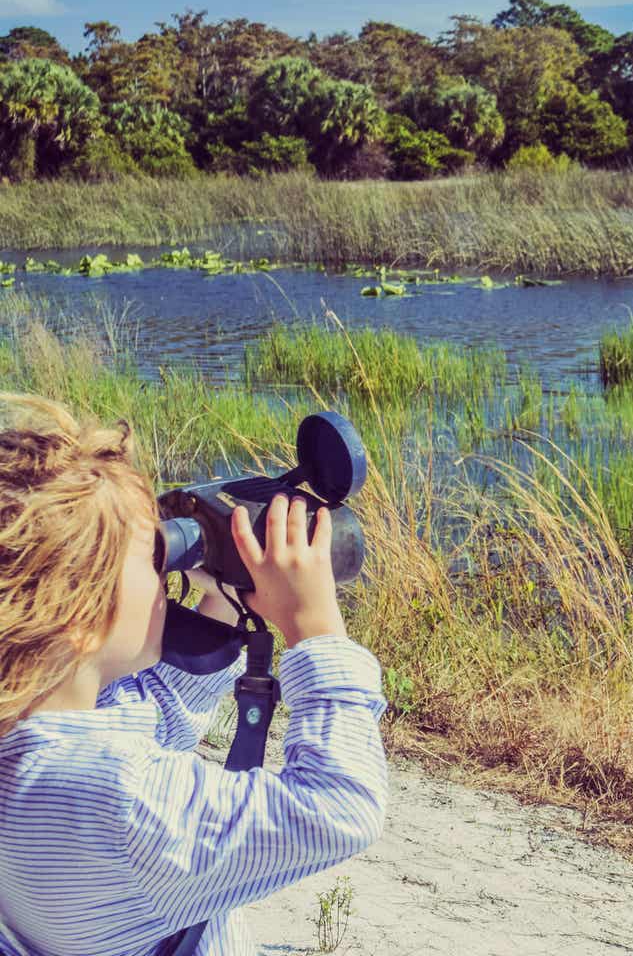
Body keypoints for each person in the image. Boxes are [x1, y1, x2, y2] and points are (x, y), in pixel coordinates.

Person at [0, 395, 388, 955]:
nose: (166, 575)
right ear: (80, 619)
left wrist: (229, 595)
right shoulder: (122, 806)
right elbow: (338, 806)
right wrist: (315, 627)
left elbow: (157, 707)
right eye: (153, 558)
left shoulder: (34, 740)